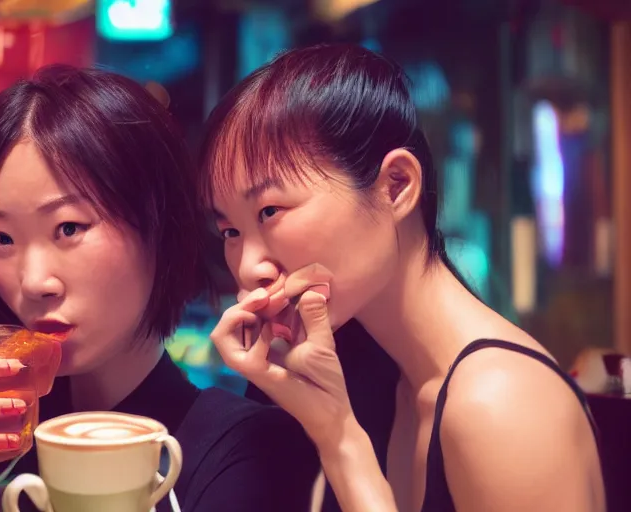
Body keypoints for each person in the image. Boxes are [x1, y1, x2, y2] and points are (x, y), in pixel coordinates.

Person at [0, 66, 319, 512]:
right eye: (1, 237)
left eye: (69, 228)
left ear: (158, 224)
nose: (34, 282)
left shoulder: (242, 450)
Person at [200, 44, 604, 512]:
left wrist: (342, 440)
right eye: (230, 230)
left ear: (397, 187)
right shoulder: (370, 367)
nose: (249, 268)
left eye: (270, 210)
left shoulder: (501, 404)